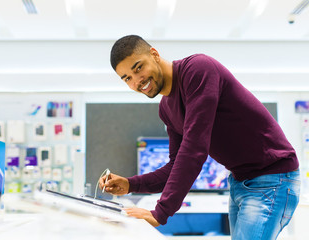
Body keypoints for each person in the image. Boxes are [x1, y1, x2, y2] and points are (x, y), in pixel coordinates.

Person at [99, 35, 300, 239]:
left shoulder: (197, 70)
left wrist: (161, 212)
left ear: (154, 54)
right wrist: (131, 184)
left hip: (273, 177)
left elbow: (194, 149)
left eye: (138, 68)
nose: (136, 81)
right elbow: (175, 165)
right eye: (127, 78)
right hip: (240, 182)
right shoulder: (166, 108)